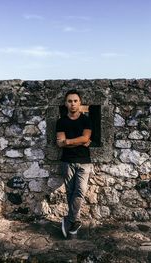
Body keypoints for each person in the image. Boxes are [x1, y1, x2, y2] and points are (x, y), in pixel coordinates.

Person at [56, 89, 93, 238]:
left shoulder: (86, 120)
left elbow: (86, 138)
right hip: (67, 161)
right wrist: (79, 141)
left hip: (84, 162)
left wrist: (69, 141)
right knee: (70, 192)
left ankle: (70, 219)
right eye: (70, 101)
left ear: (80, 103)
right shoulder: (61, 121)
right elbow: (60, 143)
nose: (73, 104)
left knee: (80, 191)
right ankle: (75, 222)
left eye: (75, 101)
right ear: (66, 103)